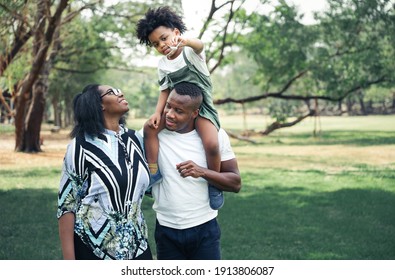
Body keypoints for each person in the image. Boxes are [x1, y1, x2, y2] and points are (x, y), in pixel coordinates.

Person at [136, 6, 224, 210]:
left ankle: (215, 183)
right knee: (149, 129)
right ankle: (153, 172)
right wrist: (158, 113)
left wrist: (187, 42)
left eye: (164, 38)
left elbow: (200, 45)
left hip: (201, 109)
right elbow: (164, 90)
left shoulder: (190, 53)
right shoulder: (162, 64)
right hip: (175, 110)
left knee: (211, 144)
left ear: (176, 33)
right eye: (156, 44)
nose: (162, 45)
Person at [143, 82, 241, 260]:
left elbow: (235, 183)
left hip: (205, 228)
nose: (170, 114)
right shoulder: (155, 134)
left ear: (194, 113)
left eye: (179, 111)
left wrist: (202, 172)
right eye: (168, 106)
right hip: (165, 229)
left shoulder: (216, 136)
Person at [57, 84, 152, 260]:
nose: (120, 92)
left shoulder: (134, 139)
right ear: (99, 105)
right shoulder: (80, 147)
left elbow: (148, 186)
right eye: (112, 92)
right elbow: (66, 207)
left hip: (138, 247)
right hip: (95, 250)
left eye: (118, 90)